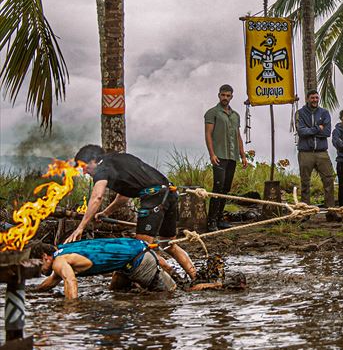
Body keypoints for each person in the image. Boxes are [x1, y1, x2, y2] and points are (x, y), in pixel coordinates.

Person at [68, 144, 196, 280]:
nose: (85, 172)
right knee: (168, 244)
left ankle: (174, 277)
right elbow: (123, 197)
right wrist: (105, 213)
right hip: (170, 193)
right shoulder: (118, 160)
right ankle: (195, 277)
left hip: (153, 198)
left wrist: (80, 227)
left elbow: (96, 197)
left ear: (93, 160)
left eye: (84, 167)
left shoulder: (102, 167)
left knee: (141, 249)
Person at [32, 238, 176, 300]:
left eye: (36, 264)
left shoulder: (59, 262)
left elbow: (70, 281)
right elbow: (51, 281)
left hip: (139, 260)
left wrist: (71, 309)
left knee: (170, 294)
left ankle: (196, 288)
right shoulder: (62, 251)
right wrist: (32, 292)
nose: (37, 270)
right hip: (129, 257)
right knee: (117, 293)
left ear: (45, 257)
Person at [204, 84, 248, 232]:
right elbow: (208, 135)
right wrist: (212, 154)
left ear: (231, 97)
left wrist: (242, 154)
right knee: (218, 186)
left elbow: (237, 135)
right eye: (223, 95)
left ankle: (220, 218)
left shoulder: (235, 115)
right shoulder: (212, 113)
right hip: (219, 155)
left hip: (232, 155)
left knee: (226, 188)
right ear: (219, 95)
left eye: (228, 96)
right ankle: (211, 221)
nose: (225, 98)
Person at [296, 89, 335, 207]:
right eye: (312, 98)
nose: (315, 100)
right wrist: (318, 128)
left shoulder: (324, 113)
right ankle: (305, 210)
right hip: (305, 152)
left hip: (322, 152)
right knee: (305, 182)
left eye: (316, 98)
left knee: (328, 180)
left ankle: (331, 210)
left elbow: (327, 132)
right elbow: (301, 132)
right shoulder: (300, 113)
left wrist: (310, 130)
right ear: (307, 99)